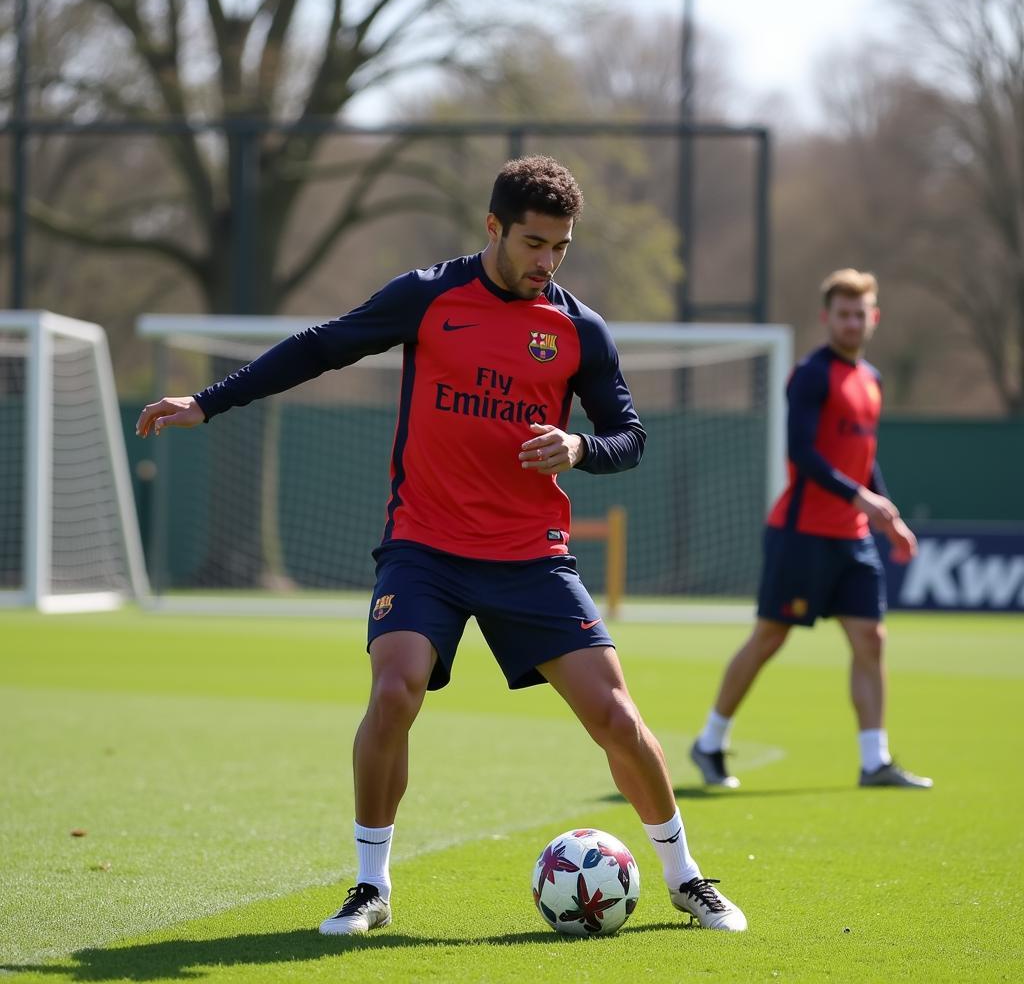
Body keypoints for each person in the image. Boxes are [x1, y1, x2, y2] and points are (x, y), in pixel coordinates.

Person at [137, 155, 747, 934]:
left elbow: (630, 435)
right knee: (395, 691)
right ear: (493, 227)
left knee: (616, 717)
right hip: (424, 546)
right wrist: (208, 401)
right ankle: (370, 885)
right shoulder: (427, 297)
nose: (547, 262)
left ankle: (685, 876)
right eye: (533, 242)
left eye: (561, 247)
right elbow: (323, 346)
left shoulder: (578, 329)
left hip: (531, 554)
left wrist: (580, 447)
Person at [690, 269, 932, 791]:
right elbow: (803, 452)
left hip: (853, 539)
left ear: (874, 317)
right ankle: (710, 741)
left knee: (872, 639)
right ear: (827, 318)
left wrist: (888, 516)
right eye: (842, 313)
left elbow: (863, 461)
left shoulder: (872, 379)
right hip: (801, 533)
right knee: (769, 638)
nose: (852, 322)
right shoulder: (811, 374)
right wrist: (861, 498)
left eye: (860, 312)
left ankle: (875, 761)